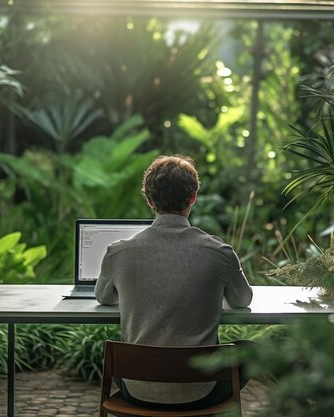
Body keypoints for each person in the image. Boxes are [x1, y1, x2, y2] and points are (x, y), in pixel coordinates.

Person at [95, 154, 253, 410]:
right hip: (202, 390)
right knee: (250, 350)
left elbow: (105, 298)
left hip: (137, 389)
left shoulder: (119, 252)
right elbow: (242, 300)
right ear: (193, 198)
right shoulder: (220, 252)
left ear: (149, 200)